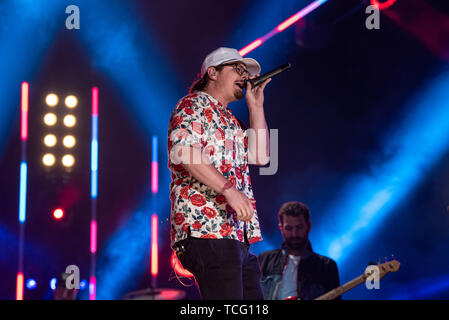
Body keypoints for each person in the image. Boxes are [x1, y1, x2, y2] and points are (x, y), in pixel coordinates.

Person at [167, 47, 271, 300]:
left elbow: (262, 157)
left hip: (234, 234)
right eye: (238, 69)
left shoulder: (231, 120)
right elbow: (184, 150)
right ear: (212, 73)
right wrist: (229, 190)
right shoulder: (193, 104)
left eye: (246, 72)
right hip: (206, 230)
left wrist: (256, 107)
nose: (245, 76)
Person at [258, 201, 341, 300]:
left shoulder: (327, 266)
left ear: (308, 226)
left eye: (299, 227)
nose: (294, 234)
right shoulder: (264, 260)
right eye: (288, 228)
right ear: (281, 229)